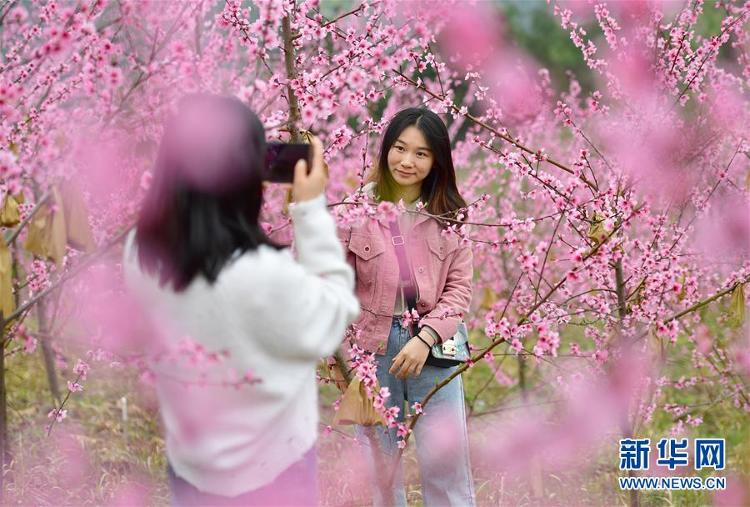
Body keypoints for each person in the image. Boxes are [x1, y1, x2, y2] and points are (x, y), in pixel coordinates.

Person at [123, 94, 359, 506]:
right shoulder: (260, 272)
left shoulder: (141, 254)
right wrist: (310, 210)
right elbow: (334, 313)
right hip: (276, 470)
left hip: (191, 465)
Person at [338, 107, 475, 506]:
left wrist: (425, 337)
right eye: (399, 148)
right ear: (386, 150)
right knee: (380, 470)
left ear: (437, 161)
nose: (406, 161)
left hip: (432, 350)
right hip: (371, 350)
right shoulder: (356, 211)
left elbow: (458, 290)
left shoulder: (449, 216)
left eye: (421, 153)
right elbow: (335, 282)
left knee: (446, 467)